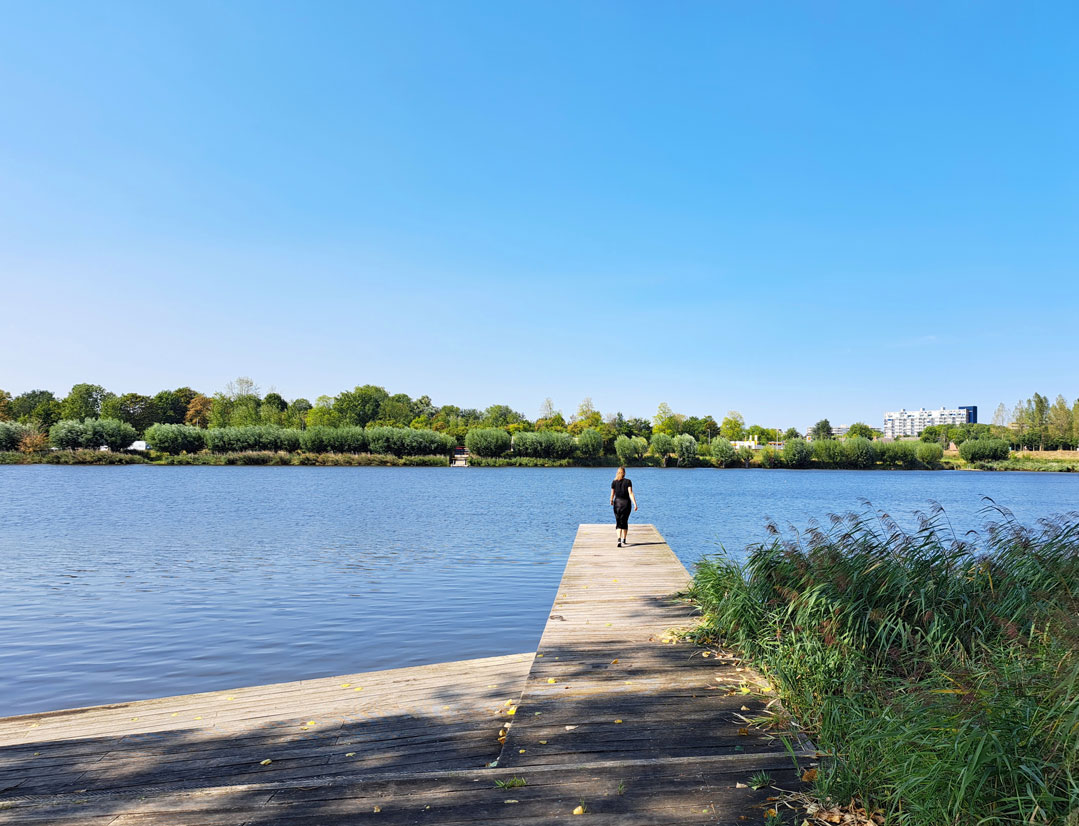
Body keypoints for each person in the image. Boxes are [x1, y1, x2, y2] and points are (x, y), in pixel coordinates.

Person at [609, 466, 638, 547]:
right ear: (624, 473)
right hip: (626, 503)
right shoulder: (628, 481)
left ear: (617, 473)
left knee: (618, 521)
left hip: (617, 503)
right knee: (624, 521)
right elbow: (630, 493)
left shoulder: (614, 482)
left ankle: (619, 539)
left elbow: (612, 494)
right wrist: (635, 503)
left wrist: (611, 500)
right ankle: (624, 539)